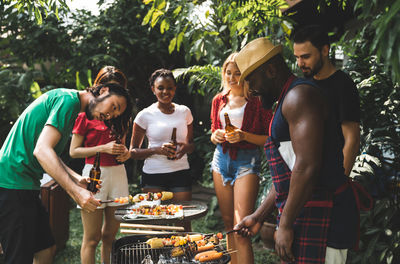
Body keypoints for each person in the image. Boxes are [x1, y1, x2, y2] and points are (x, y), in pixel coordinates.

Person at [233, 37, 370, 263]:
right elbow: (291, 172)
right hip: (307, 209)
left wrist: (284, 224)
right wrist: (259, 216)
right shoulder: (288, 99)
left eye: (251, 79)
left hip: (326, 214)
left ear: (271, 70)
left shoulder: (299, 97)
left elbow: (307, 167)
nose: (251, 89)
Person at [0, 81, 132, 264]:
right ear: (103, 91)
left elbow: (49, 153)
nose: (109, 115)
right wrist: (76, 192)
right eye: (113, 107)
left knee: (45, 249)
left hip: (25, 183)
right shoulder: (68, 101)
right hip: (11, 182)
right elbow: (42, 151)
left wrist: (77, 179)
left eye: (115, 114)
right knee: (18, 258)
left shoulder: (70, 105)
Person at [210, 53, 272, 264]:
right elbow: (213, 132)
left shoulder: (256, 101)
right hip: (221, 160)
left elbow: (269, 138)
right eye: (228, 72)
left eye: (237, 73)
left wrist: (244, 136)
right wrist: (216, 136)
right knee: (228, 226)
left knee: (241, 229)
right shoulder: (219, 100)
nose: (232, 77)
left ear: (245, 74)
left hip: (247, 162)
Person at [69, 66, 132, 264]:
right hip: (94, 176)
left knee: (110, 237)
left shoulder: (123, 118)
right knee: (92, 238)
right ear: (101, 88)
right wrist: (103, 148)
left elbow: (122, 149)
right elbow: (73, 151)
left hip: (118, 176)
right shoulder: (84, 115)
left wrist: (126, 154)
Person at [293, 25, 360, 177]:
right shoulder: (302, 86)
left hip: (333, 177)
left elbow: (352, 138)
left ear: (324, 50)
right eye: (297, 57)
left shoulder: (343, 84)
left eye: (305, 57)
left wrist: (340, 181)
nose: (300, 63)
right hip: (305, 176)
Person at [129, 68, 194, 202]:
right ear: (153, 89)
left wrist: (184, 149)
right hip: (153, 174)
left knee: (183, 216)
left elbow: (191, 145)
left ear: (174, 89)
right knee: (155, 219)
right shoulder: (145, 115)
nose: (165, 92)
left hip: (180, 171)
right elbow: (133, 152)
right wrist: (157, 150)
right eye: (160, 88)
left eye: (169, 88)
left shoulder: (184, 112)